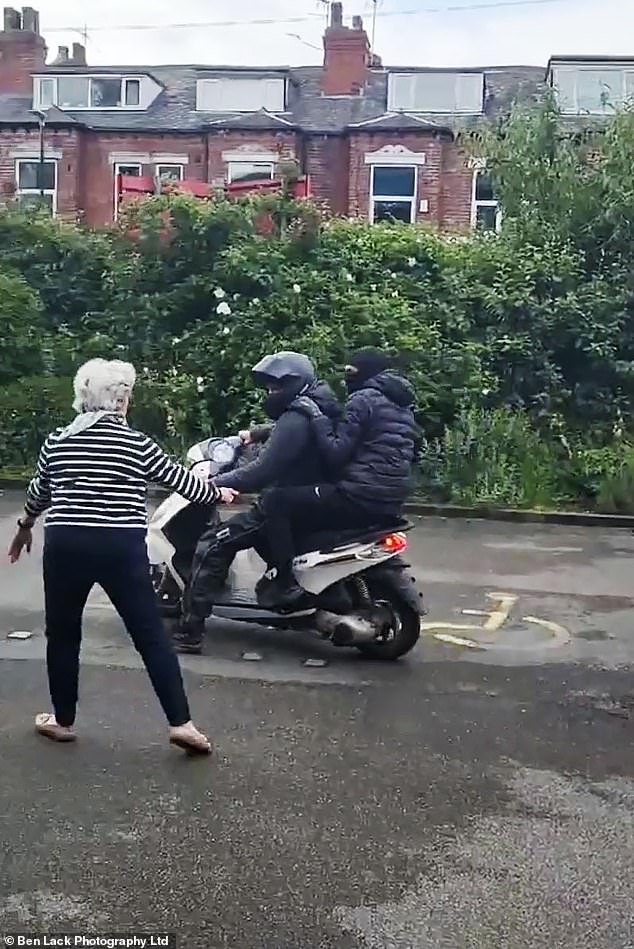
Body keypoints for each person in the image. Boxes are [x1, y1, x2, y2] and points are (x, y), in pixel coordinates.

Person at [8, 358, 237, 756]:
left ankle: (62, 722)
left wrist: (25, 525)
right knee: (149, 634)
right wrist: (219, 492)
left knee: (63, 634)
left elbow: (40, 492)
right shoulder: (137, 444)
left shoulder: (58, 441)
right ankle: (181, 723)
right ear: (121, 400)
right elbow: (184, 483)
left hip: (66, 543)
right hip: (120, 545)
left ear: (82, 397)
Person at [173, 351, 341, 654]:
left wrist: (215, 482)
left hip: (285, 501)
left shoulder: (296, 418)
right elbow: (283, 434)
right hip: (313, 498)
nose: (270, 394)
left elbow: (262, 472)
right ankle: (285, 582)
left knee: (212, 545)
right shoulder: (319, 404)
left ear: (292, 384)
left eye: (274, 388)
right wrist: (252, 435)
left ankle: (189, 632)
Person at [257, 349, 418, 608]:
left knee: (276, 501)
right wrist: (260, 433)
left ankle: (284, 582)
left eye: (351, 372)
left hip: (358, 495)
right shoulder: (402, 405)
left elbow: (335, 453)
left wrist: (315, 415)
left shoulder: (363, 399)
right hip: (393, 498)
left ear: (366, 373)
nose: (346, 379)